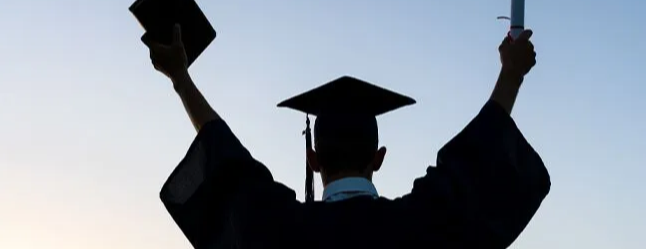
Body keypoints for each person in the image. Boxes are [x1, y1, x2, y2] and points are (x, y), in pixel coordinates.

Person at [147, 24, 551, 249]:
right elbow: (477, 160)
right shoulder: (423, 224)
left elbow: (227, 163)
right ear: (378, 157)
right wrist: (511, 73)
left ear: (313, 160)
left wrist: (181, 77)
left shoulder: (277, 229)